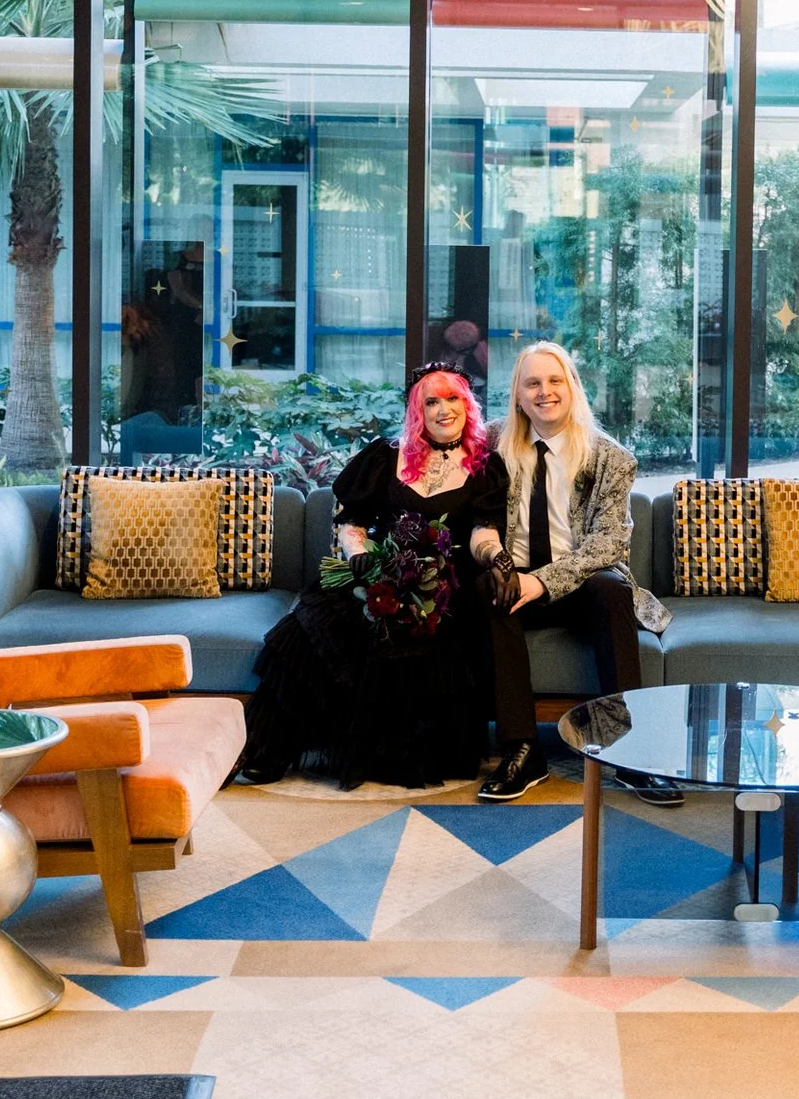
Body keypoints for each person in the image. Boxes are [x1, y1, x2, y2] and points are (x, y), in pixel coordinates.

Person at [237, 364, 512, 791]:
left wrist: (496, 557)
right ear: (417, 411)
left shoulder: (485, 465)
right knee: (308, 628)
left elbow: (483, 530)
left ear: (467, 405)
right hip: (379, 573)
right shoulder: (386, 455)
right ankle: (270, 750)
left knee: (422, 645)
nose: (444, 410)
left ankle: (382, 754)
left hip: (445, 591)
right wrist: (359, 554)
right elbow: (353, 522)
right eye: (431, 402)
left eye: (452, 399)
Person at [477, 341, 679, 806]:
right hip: (515, 574)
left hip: (581, 580)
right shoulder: (491, 445)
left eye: (555, 381)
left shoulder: (610, 458)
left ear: (572, 387)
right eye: (532, 383)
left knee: (612, 590)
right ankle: (522, 750)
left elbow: (608, 545)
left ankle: (629, 751)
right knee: (490, 590)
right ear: (518, 395)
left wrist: (542, 582)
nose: (544, 392)